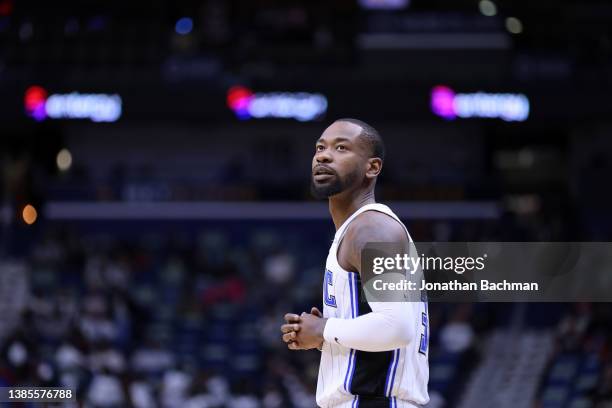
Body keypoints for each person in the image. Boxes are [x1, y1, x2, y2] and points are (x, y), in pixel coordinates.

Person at [281, 119, 429, 408]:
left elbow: (396, 327)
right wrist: (322, 336)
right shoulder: (357, 229)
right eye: (320, 148)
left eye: (341, 148)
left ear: (372, 167)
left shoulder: (372, 228)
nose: (324, 155)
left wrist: (324, 328)